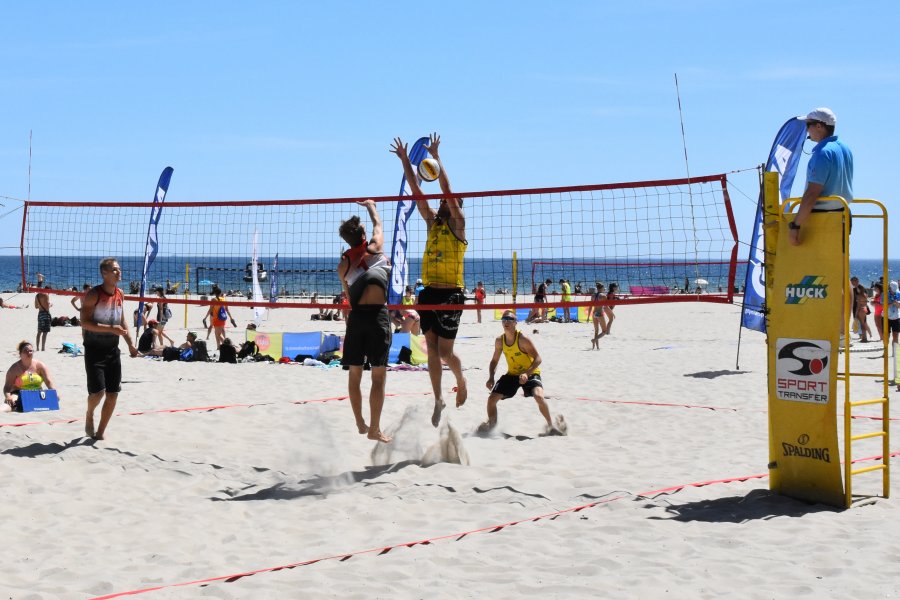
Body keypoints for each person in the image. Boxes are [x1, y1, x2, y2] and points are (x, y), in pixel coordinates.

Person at [392, 133, 467, 427]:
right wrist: (404, 162)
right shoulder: (432, 221)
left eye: (452, 201)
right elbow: (416, 191)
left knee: (446, 352)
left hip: (451, 294)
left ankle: (461, 379)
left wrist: (438, 156)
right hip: (429, 293)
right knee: (432, 349)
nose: (445, 201)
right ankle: (438, 398)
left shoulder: (458, 226)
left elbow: (446, 189)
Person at [337, 199, 393, 443]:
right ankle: (374, 428)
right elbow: (378, 223)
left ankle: (360, 422)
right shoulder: (375, 247)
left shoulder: (343, 265)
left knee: (355, 375)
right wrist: (371, 205)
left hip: (357, 317)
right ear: (362, 234)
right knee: (378, 376)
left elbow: (348, 295)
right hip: (378, 315)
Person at [478, 310, 565, 435]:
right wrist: (491, 377)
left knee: (539, 397)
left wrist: (527, 373)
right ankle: (492, 425)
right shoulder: (499, 341)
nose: (506, 322)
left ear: (515, 323)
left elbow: (538, 358)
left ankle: (551, 426)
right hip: (512, 374)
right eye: (504, 319)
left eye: (509, 319)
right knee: (491, 399)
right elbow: (494, 361)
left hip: (530, 372)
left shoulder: (523, 339)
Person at [80, 257, 138, 440]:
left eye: (119, 269)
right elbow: (84, 323)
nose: (119, 272)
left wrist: (130, 343)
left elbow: (122, 320)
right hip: (94, 349)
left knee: (113, 395)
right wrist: (110, 329)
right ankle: (89, 414)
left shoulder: (120, 293)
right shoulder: (93, 294)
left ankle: (100, 433)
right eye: (114, 270)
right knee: (98, 393)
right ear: (104, 273)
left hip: (113, 350)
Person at [789, 107, 854, 247]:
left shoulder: (822, 153)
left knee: (816, 268)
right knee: (839, 267)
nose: (807, 130)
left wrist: (795, 225)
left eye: (808, 125)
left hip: (823, 218)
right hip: (843, 215)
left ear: (819, 126)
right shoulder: (845, 149)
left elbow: (812, 193)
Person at [3, 341, 58, 413]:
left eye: (30, 351)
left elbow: (48, 382)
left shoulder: (40, 365)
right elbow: (7, 387)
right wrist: (8, 397)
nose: (28, 353)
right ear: (20, 354)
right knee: (11, 403)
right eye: (25, 351)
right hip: (19, 393)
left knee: (57, 398)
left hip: (37, 393)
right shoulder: (14, 368)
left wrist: (53, 394)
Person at [205, 285, 236, 349]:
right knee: (219, 333)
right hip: (223, 318)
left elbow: (210, 309)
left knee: (217, 335)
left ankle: (226, 345)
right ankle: (220, 346)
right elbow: (227, 310)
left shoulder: (213, 300)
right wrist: (231, 317)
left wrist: (205, 317)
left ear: (215, 293)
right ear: (220, 292)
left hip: (216, 319)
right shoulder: (224, 299)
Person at [851, 277, 871, 343]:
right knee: (863, 322)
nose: (852, 283)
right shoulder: (862, 292)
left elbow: (859, 304)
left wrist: (856, 312)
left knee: (862, 323)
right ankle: (864, 336)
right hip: (863, 308)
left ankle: (864, 337)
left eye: (853, 281)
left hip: (859, 308)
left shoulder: (858, 292)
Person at [588, 282, 608, 350]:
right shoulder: (603, 296)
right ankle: (594, 340)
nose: (604, 289)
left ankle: (596, 347)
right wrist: (612, 313)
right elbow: (606, 307)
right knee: (605, 331)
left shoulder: (593, 295)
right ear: (601, 288)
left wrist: (588, 316)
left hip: (594, 313)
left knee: (596, 331)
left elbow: (590, 306)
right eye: (603, 288)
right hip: (599, 313)